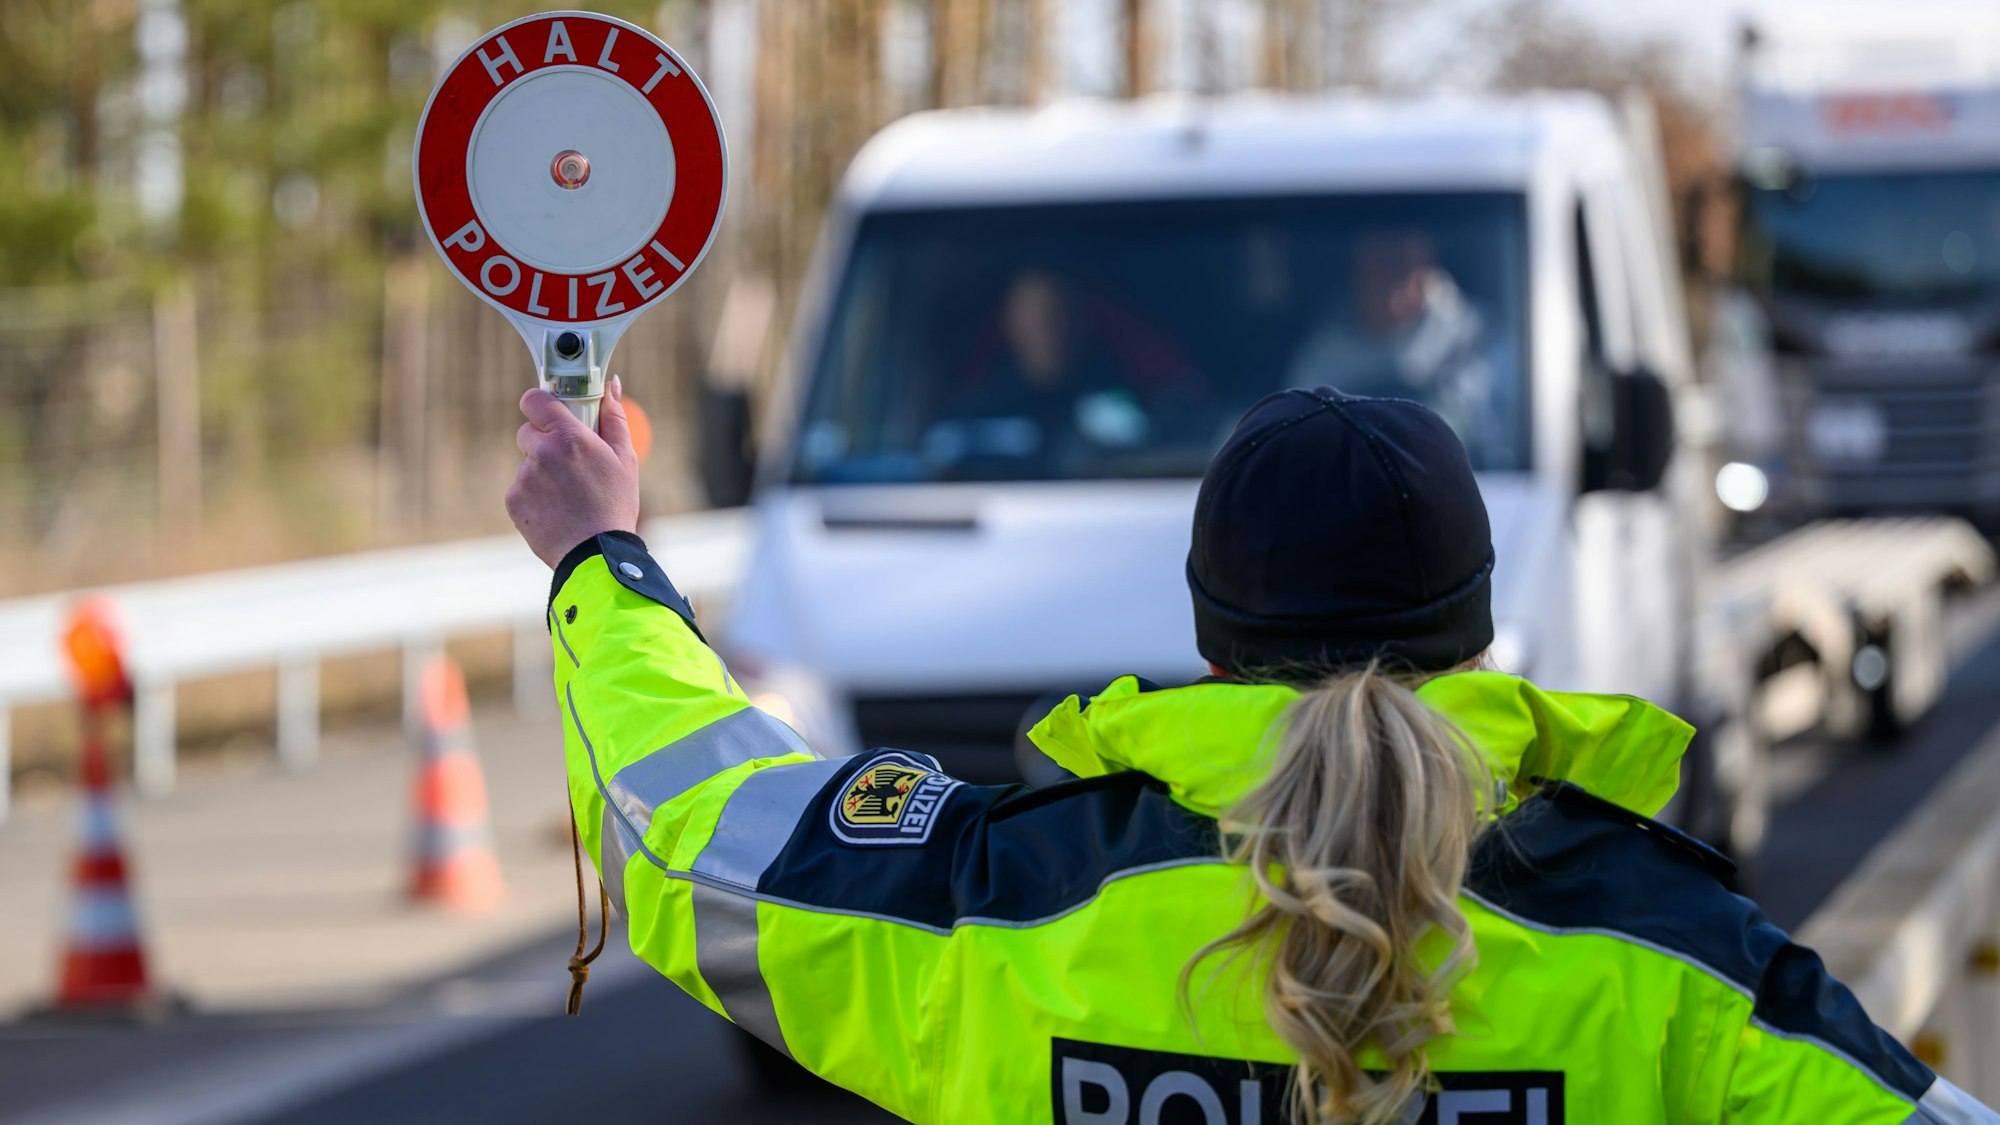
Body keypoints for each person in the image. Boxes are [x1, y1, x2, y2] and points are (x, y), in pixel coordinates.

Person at [506, 378, 1993, 1124]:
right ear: (1479, 642)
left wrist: (604, 561)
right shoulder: (1673, 957)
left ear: (1212, 643)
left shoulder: (1011, 901)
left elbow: (685, 820)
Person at [1287, 230, 1522, 470]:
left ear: (1426, 273)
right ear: (1358, 275)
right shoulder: (1326, 352)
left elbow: (1481, 425)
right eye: (1378, 269)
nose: (1390, 285)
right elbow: (1302, 434)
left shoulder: (1474, 335)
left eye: (1401, 268)